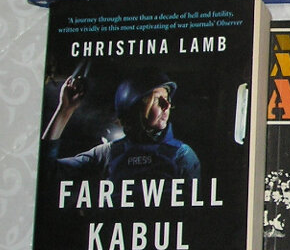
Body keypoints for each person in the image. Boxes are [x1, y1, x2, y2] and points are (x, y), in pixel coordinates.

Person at [42, 67, 200, 181]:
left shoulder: (183, 156)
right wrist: (64, 110)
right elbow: (45, 171)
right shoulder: (107, 153)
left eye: (167, 99)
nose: (167, 106)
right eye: (157, 99)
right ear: (134, 108)